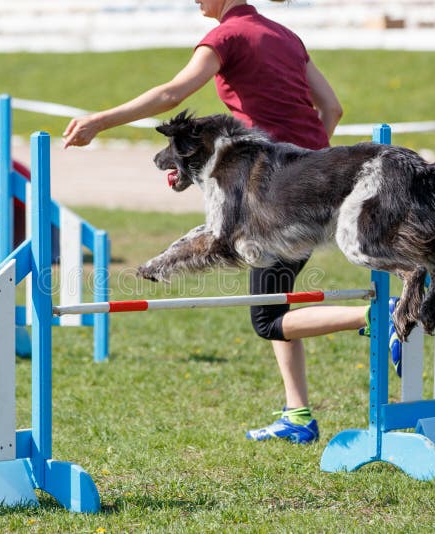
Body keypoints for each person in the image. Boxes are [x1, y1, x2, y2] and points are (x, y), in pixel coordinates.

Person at [63, 0, 370, 444]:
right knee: (273, 301)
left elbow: (173, 94)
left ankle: (376, 316)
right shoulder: (285, 35)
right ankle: (297, 413)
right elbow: (332, 109)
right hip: (312, 176)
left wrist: (100, 121)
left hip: (275, 196)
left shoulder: (227, 36)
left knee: (267, 319)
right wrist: (312, 168)